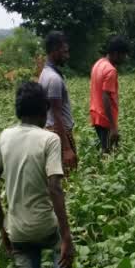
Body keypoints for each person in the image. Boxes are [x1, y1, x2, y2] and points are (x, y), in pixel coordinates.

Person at [0, 82, 75, 268]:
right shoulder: (50, 139)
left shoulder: (5, 136)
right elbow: (55, 188)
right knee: (65, 254)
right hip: (46, 228)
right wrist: (66, 236)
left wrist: (2, 226)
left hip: (18, 232)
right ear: (44, 109)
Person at [39, 31, 77, 175]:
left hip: (52, 132)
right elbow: (57, 114)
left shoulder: (44, 73)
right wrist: (66, 149)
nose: (67, 56)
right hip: (59, 135)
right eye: (64, 52)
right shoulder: (54, 79)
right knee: (66, 178)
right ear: (55, 51)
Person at [89, 36, 130, 154]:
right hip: (105, 118)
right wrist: (113, 126)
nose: (125, 58)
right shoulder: (111, 70)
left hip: (96, 114)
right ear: (116, 54)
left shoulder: (98, 64)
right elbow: (105, 97)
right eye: (124, 55)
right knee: (108, 154)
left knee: (105, 150)